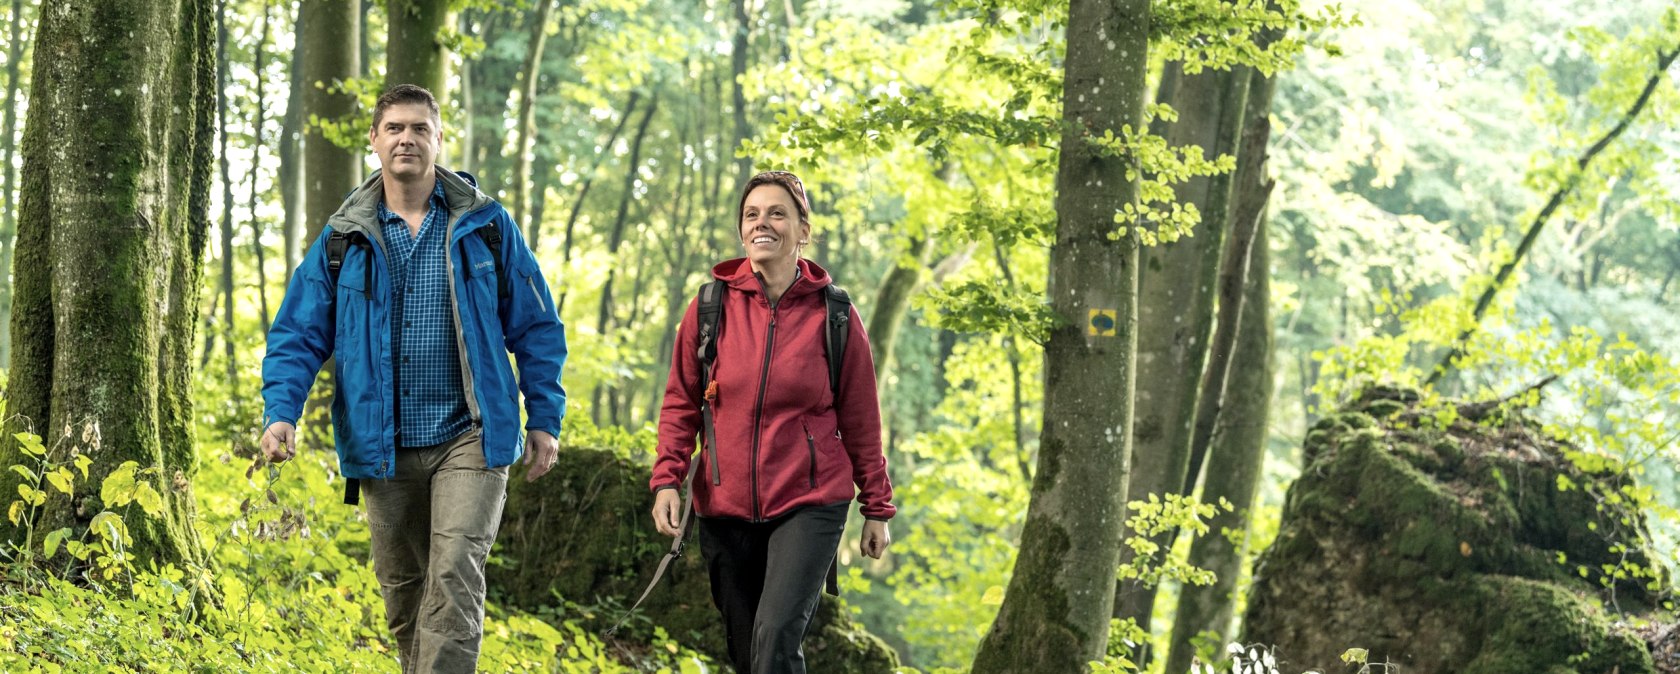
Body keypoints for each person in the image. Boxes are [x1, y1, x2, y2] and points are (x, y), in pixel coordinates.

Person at [259, 84, 567, 673]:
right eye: (395, 128)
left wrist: (545, 418)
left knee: (454, 578)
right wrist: (281, 412)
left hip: (471, 436)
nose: (407, 138)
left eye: (420, 128)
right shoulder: (343, 236)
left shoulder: (486, 225)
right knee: (404, 596)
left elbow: (537, 326)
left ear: (439, 139)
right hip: (383, 444)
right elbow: (298, 332)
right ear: (374, 140)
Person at [649, 170, 895, 674]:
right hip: (724, 503)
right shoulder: (710, 306)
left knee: (777, 634)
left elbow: (862, 419)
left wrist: (877, 506)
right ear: (742, 230)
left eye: (777, 213)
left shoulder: (836, 316)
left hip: (810, 502)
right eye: (752, 214)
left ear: (803, 230)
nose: (763, 223)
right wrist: (667, 479)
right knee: (748, 652)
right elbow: (680, 402)